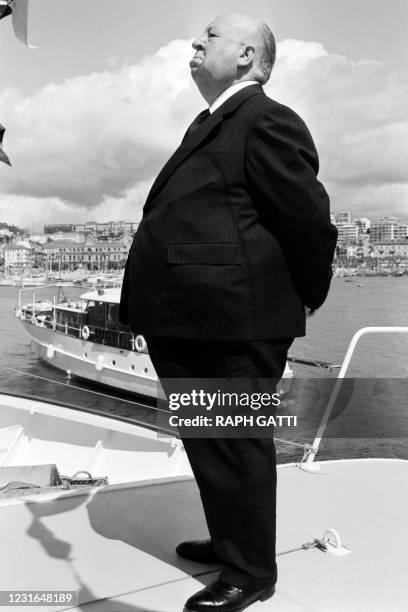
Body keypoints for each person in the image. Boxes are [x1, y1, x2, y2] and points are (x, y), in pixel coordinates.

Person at [119, 12, 337, 612]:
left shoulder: (266, 119)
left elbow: (308, 221)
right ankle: (230, 539)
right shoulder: (214, 121)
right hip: (194, 317)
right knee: (209, 439)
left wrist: (304, 296)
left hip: (233, 319)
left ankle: (250, 572)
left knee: (235, 441)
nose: (195, 42)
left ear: (247, 56)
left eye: (210, 36)